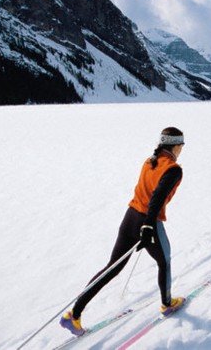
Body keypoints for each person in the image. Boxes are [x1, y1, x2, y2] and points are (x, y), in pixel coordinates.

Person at [60, 127, 186, 336]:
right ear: (174, 145)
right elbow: (157, 197)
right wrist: (147, 226)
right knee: (164, 262)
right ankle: (167, 304)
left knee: (112, 268)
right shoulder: (173, 169)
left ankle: (73, 314)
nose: (182, 149)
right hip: (148, 221)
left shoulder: (149, 161)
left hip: (130, 218)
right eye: (181, 145)